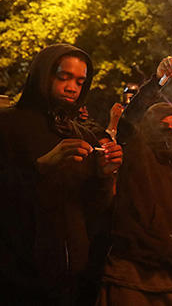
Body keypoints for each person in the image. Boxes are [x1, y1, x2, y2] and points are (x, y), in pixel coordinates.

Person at [0, 44, 122, 305]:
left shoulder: (83, 135)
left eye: (80, 81)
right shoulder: (7, 125)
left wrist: (105, 176)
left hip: (72, 280)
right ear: (43, 75)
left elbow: (93, 210)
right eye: (63, 77)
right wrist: (40, 167)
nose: (72, 88)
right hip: (15, 278)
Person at [97, 56, 172, 306]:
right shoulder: (137, 152)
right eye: (162, 125)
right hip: (132, 277)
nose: (170, 130)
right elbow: (132, 118)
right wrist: (158, 80)